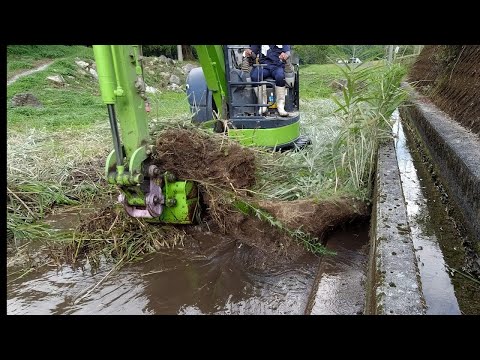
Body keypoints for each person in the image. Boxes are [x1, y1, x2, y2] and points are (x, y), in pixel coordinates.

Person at [244, 45, 291, 116]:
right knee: (254, 76)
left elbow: (288, 52)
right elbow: (253, 55)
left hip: (277, 66)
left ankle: (281, 107)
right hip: (264, 66)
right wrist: (249, 52)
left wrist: (285, 55)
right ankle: (263, 105)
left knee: (280, 76)